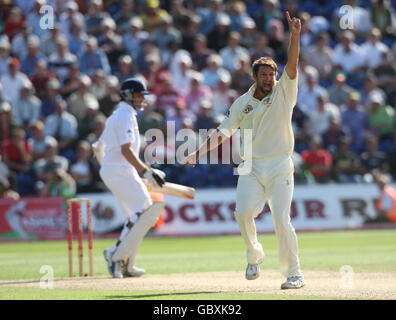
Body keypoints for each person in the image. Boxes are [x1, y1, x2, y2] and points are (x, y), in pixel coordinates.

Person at [184, 12, 305, 290]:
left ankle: (294, 273)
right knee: (242, 212)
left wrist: (294, 36)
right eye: (264, 75)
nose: (269, 79)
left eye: (272, 74)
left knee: (280, 219)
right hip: (251, 166)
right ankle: (254, 254)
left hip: (279, 164)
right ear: (255, 77)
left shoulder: (284, 90)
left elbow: (294, 63)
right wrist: (198, 153)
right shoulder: (242, 103)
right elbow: (221, 132)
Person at [93, 78, 166, 278]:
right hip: (120, 170)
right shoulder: (125, 115)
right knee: (145, 212)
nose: (143, 99)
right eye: (139, 95)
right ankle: (115, 254)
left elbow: (97, 147)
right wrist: (145, 172)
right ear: (127, 96)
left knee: (136, 218)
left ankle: (126, 264)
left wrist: (110, 168)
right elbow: (126, 150)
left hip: (116, 170)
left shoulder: (117, 115)